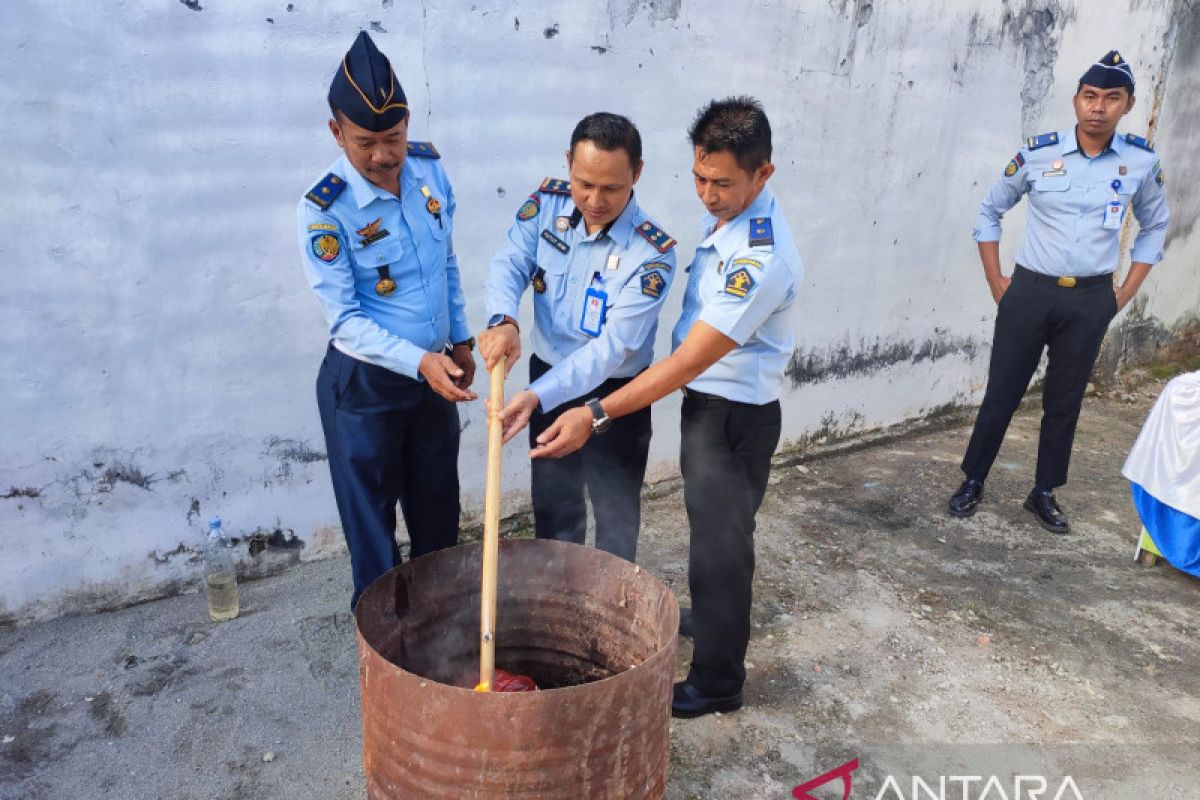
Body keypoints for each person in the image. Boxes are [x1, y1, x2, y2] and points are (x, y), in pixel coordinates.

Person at [530, 98, 803, 718]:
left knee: (721, 551)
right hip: (711, 409)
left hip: (734, 417)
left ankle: (717, 683)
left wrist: (596, 413)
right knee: (710, 541)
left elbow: (685, 362)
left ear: (764, 174)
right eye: (700, 178)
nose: (708, 194)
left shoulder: (760, 258)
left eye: (723, 183)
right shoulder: (735, 221)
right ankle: (709, 630)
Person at [949, 49, 1170, 534]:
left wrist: (1124, 292)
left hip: (1092, 299)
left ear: (1128, 104)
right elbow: (989, 210)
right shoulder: (1038, 153)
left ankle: (1043, 491)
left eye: (1111, 98)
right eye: (1090, 96)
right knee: (1002, 394)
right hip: (1028, 292)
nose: (1098, 107)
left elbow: (1156, 226)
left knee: (1065, 400)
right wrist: (997, 281)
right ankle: (973, 479)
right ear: (1076, 100)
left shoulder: (1138, 163)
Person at [296, 31, 476, 608]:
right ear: (336, 133)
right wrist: (422, 360)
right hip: (366, 388)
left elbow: (444, 258)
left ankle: (440, 631)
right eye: (366, 142)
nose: (383, 155)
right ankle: (387, 651)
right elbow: (344, 320)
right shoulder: (323, 209)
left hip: (434, 377)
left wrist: (461, 337)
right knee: (372, 531)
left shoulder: (428, 171)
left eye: (393, 138)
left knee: (437, 511)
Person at [478, 113, 678, 563]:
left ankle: (609, 614)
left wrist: (535, 397)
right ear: (568, 162)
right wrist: (503, 319)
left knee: (616, 513)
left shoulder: (653, 254)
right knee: (554, 507)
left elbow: (612, 349)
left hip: (615, 394)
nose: (594, 200)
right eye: (584, 183)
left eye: (612, 188)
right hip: (545, 379)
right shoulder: (546, 204)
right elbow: (510, 263)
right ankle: (557, 604)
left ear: (637, 174)